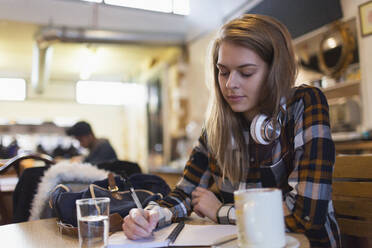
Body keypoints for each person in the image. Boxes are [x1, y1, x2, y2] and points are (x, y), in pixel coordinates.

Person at [122, 14, 341, 247]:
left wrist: (220, 211)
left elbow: (306, 216)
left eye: (246, 72)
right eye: (223, 72)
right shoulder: (217, 125)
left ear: (274, 71)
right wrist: (150, 216)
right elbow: (185, 193)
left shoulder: (305, 104)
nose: (230, 84)